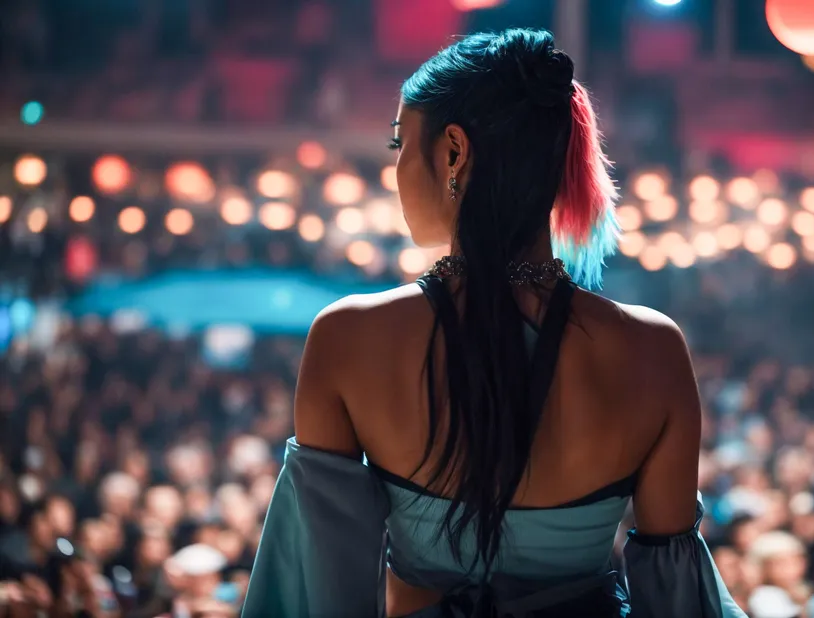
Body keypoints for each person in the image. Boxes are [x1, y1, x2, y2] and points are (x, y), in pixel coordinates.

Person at [244, 29, 744, 618]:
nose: (396, 169)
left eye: (399, 143)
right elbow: (678, 601)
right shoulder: (652, 350)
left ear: (454, 152)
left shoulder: (349, 339)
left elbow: (317, 596)